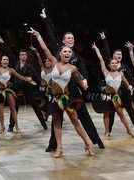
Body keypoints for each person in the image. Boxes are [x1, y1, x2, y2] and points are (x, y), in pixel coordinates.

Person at [40, 8, 104, 151]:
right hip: (57, 89)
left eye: (72, 39)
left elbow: (83, 72)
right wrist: (45, 19)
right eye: (68, 38)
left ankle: (96, 140)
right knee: (57, 117)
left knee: (83, 116)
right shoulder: (58, 51)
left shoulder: (78, 57)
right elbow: (50, 37)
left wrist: (85, 80)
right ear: (63, 42)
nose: (71, 40)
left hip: (73, 90)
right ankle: (53, 145)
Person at [29, 27, 94, 158]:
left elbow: (79, 80)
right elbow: (45, 49)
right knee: (57, 123)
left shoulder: (73, 68)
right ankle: (59, 148)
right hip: (53, 98)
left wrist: (84, 84)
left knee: (75, 120)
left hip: (66, 98)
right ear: (60, 53)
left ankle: (88, 144)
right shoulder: (53, 62)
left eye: (69, 52)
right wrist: (38, 35)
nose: (67, 53)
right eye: (65, 51)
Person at [0, 36, 48, 132]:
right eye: (22, 55)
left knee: (35, 105)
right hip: (17, 87)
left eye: (25, 54)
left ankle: (43, 124)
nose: (24, 56)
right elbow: (8, 53)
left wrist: (30, 78)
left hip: (27, 87)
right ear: (19, 56)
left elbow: (30, 75)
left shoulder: (29, 65)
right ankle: (11, 126)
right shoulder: (15, 63)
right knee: (14, 106)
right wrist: (3, 43)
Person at [99, 32, 134, 135]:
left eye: (120, 54)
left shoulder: (125, 67)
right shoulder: (111, 65)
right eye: (117, 54)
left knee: (130, 110)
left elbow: (131, 79)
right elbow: (106, 52)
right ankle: (108, 131)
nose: (119, 55)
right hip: (114, 91)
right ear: (113, 56)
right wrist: (104, 40)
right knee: (112, 112)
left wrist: (131, 87)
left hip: (125, 91)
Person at [0, 43, 37, 134]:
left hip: (8, 90)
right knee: (0, 110)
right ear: (1, 61)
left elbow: (20, 76)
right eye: (4, 59)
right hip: (0, 91)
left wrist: (29, 80)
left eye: (7, 60)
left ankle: (17, 126)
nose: (6, 61)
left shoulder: (11, 70)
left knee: (13, 109)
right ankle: (2, 127)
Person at [92, 42, 134, 140]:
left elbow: (126, 84)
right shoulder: (106, 72)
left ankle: (129, 130)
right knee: (106, 113)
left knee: (121, 114)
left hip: (116, 97)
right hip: (107, 96)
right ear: (109, 65)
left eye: (115, 63)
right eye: (112, 63)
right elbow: (101, 60)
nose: (114, 64)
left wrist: (131, 89)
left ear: (117, 65)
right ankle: (107, 132)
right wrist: (97, 50)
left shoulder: (121, 74)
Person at [30, 45, 52, 121]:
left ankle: (49, 114)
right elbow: (39, 59)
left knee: (50, 101)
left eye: (49, 61)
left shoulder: (53, 69)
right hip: (42, 87)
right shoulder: (42, 67)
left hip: (50, 88)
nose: (48, 62)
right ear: (45, 62)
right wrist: (36, 51)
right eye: (46, 61)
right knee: (42, 101)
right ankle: (43, 116)